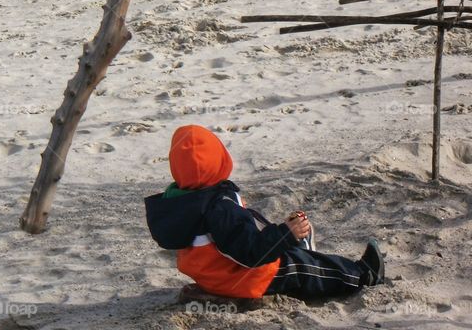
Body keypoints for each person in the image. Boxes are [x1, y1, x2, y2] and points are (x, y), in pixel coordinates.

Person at [144, 124, 385, 299]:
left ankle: (297, 248)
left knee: (291, 252)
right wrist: (285, 234)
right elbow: (251, 254)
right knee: (307, 269)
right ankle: (364, 274)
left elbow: (236, 236)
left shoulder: (179, 203)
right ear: (219, 160)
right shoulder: (219, 207)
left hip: (213, 277)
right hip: (244, 278)